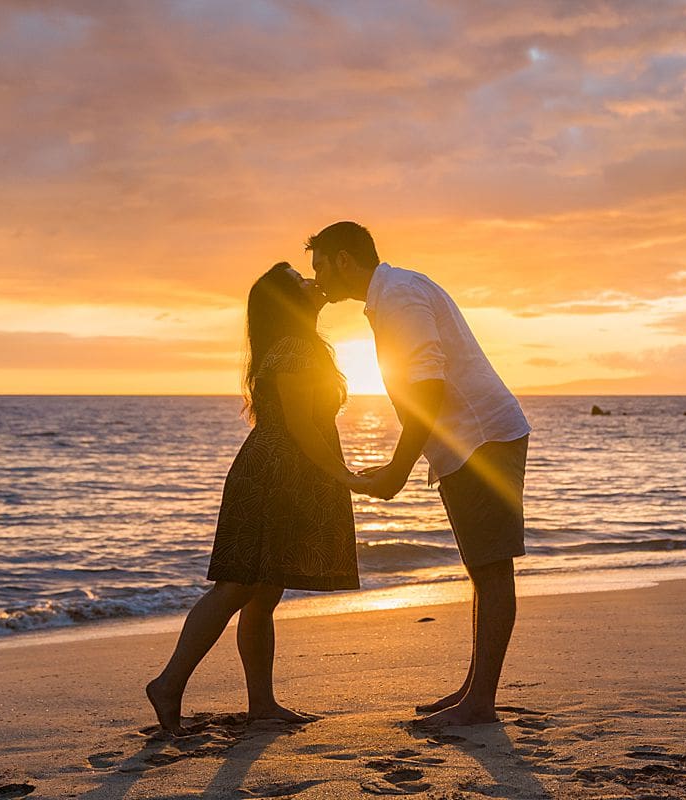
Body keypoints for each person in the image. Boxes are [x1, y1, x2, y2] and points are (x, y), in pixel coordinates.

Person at [308, 221, 531, 727]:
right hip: (467, 441)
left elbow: (427, 389)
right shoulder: (390, 294)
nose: (317, 276)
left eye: (320, 264)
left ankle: (481, 702)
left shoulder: (401, 295)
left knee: (492, 568)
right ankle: (475, 691)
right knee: (482, 567)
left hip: (482, 437)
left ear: (345, 259)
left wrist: (398, 470)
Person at [145, 261, 367, 736]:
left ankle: (262, 705)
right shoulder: (292, 349)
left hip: (287, 474)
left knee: (264, 593)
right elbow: (301, 426)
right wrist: (343, 475)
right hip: (273, 476)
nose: (312, 282)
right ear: (287, 302)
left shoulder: (299, 345)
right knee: (239, 585)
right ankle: (168, 683)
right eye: (299, 281)